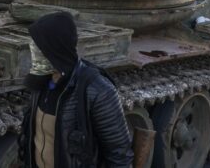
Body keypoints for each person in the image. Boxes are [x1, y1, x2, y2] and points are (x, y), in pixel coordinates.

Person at [21, 12, 133, 167]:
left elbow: (120, 155)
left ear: (56, 50)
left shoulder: (97, 90)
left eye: (39, 47)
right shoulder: (41, 83)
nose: (33, 53)